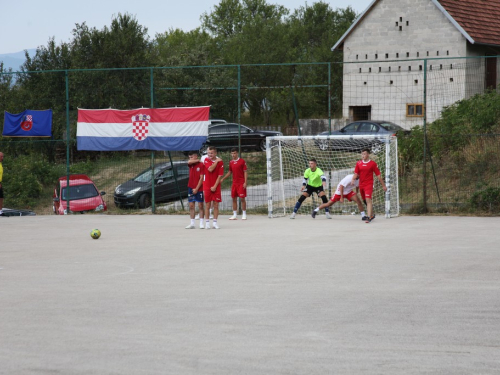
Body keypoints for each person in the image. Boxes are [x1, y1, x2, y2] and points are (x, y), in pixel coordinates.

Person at [352, 148, 387, 223]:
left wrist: (383, 185)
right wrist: (353, 180)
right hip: (361, 185)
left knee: (368, 199)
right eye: (362, 154)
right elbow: (356, 174)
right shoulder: (358, 163)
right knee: (365, 200)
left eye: (364, 154)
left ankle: (368, 217)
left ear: (368, 155)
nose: (363, 155)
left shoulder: (373, 164)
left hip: (369, 184)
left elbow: (378, 176)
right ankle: (371, 214)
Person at [221, 148, 248, 220]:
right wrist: (223, 178)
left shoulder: (242, 161)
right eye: (232, 153)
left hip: (241, 182)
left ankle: (244, 214)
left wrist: (245, 182)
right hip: (234, 183)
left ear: (237, 153)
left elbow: (245, 172)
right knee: (234, 198)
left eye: (234, 153)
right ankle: (234, 215)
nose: (233, 155)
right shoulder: (231, 162)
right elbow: (230, 172)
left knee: (242, 198)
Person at [202, 146, 224, 229]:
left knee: (216, 205)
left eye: (211, 153)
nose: (209, 154)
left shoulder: (220, 162)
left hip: (216, 186)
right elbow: (210, 169)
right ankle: (207, 223)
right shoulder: (206, 160)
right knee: (207, 205)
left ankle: (215, 222)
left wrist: (215, 186)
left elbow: (219, 176)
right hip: (207, 185)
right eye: (208, 153)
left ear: (215, 153)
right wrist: (216, 161)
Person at [185, 151, 205, 229]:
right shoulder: (191, 164)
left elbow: (201, 178)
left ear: (196, 156)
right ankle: (192, 223)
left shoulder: (201, 165)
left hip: (199, 188)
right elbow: (189, 162)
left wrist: (196, 188)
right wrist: (197, 160)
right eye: (189, 157)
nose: (190, 159)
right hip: (190, 187)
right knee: (191, 205)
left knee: (200, 205)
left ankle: (201, 223)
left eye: (192, 157)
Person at [0, 152, 4, 216]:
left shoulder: (0, 164)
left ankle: (0, 210)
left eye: (3, 156)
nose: (2, 158)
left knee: (1, 197)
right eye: (1, 156)